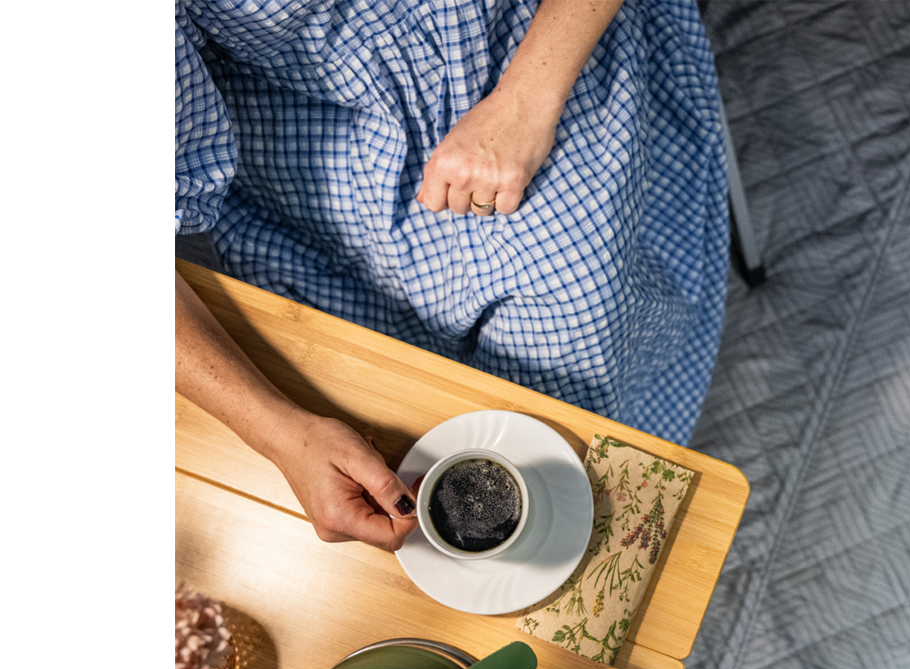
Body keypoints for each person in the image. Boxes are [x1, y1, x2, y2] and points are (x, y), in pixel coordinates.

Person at [175, 0, 729, 550]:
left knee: (567, 392)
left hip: (531, 53)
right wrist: (283, 437)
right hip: (306, 126)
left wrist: (526, 102)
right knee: (378, 407)